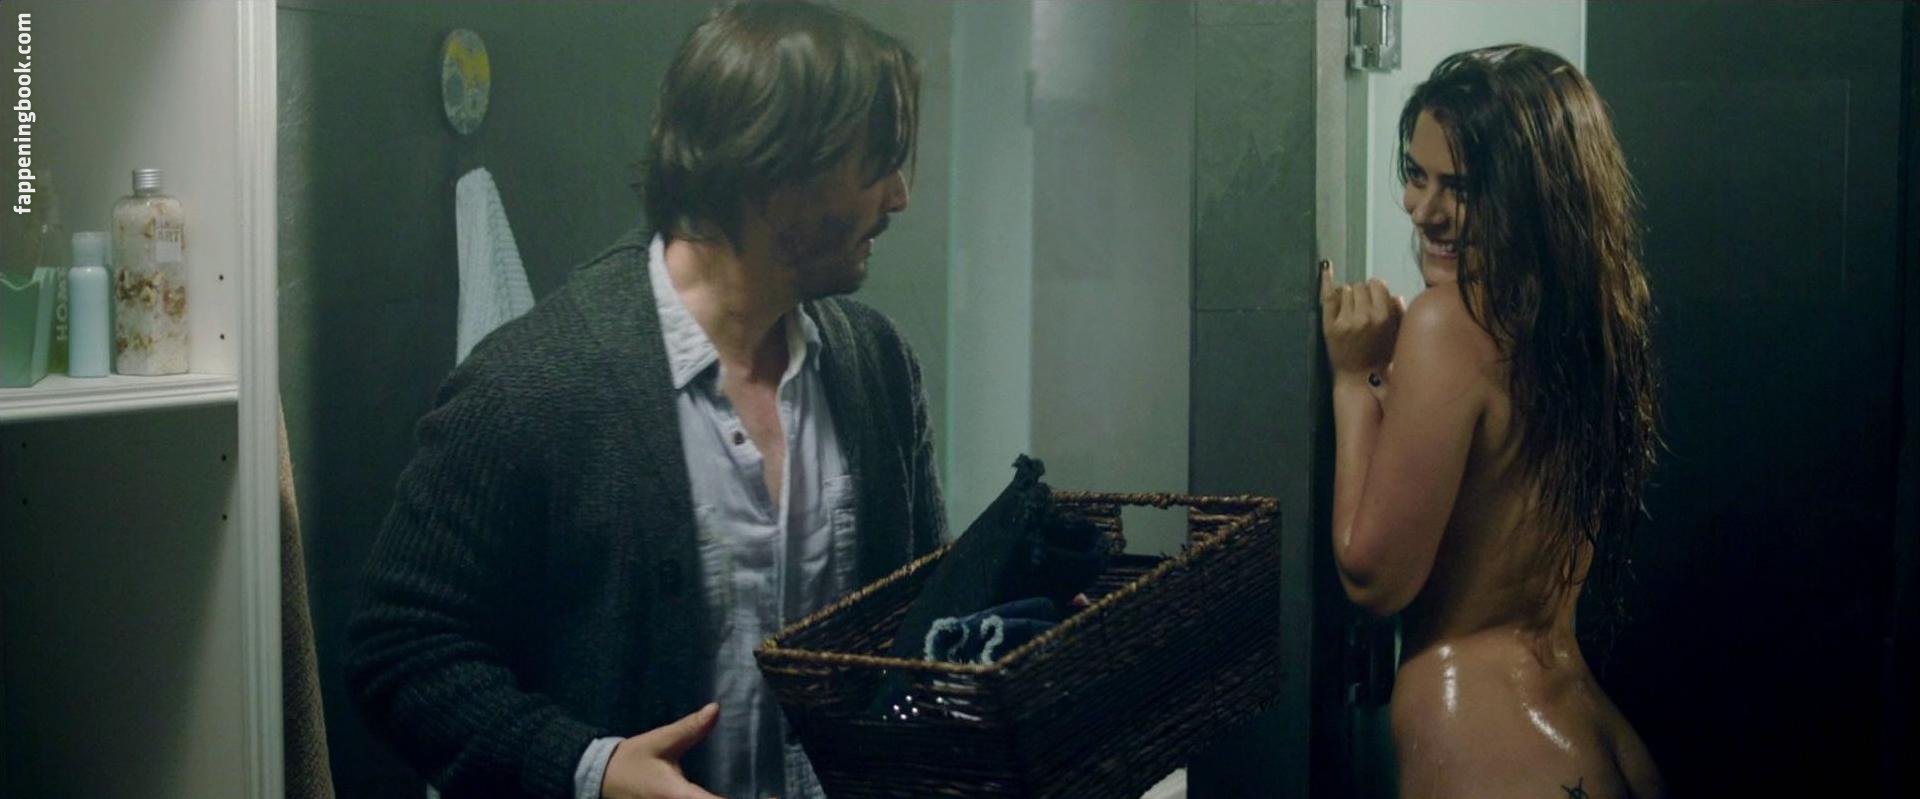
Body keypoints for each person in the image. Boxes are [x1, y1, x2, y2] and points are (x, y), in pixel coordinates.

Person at [345, 3, 945, 797]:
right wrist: (587, 767)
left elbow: (925, 615)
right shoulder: (534, 385)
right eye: (876, 164)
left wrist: (1022, 625)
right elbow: (399, 648)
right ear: (773, 166)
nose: (898, 197)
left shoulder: (877, 365)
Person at [1319, 44, 1665, 798]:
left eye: (1463, 187)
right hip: (1591, 732)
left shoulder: (1448, 324)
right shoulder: (1583, 325)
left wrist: (1354, 379)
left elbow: (1374, 577)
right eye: (1416, 174)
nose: (1423, 210)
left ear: (1534, 195)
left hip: (1487, 737)